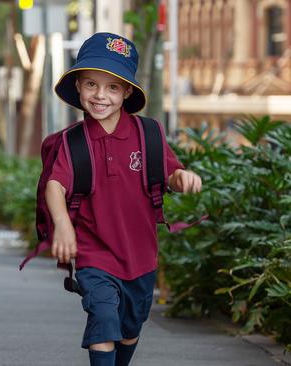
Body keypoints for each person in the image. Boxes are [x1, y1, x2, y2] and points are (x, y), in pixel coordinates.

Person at [48, 32, 202, 366]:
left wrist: (182, 178)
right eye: (91, 84)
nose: (100, 95)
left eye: (112, 87)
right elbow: (55, 186)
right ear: (77, 86)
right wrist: (63, 225)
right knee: (103, 322)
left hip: (140, 255)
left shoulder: (149, 134)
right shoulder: (73, 142)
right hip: (94, 253)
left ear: (127, 91)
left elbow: (170, 174)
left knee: (129, 328)